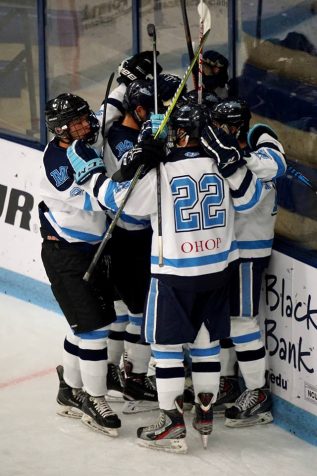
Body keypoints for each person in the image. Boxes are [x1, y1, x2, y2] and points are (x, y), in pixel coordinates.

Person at [66, 101, 274, 453]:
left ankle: (172, 422)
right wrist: (233, 162)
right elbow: (251, 197)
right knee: (207, 345)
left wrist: (90, 178)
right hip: (217, 272)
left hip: (174, 276)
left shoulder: (160, 172)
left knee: (166, 350)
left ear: (176, 133)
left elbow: (120, 203)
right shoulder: (220, 164)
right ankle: (205, 415)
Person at [39, 93, 122, 437]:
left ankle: (69, 389)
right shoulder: (57, 161)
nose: (85, 125)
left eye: (85, 119)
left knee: (86, 326)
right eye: (76, 123)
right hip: (65, 256)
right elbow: (94, 194)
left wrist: (128, 76)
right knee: (93, 331)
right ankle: (93, 397)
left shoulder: (84, 133)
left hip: (91, 251)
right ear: (60, 128)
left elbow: (108, 108)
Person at [208, 99, 287, 427]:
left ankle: (258, 392)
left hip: (249, 253)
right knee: (222, 321)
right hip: (226, 251)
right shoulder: (225, 154)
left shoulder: (262, 143)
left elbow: (271, 171)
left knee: (242, 322)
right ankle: (228, 381)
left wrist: (238, 157)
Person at [104, 79, 159, 414]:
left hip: (127, 237)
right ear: (138, 110)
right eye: (156, 108)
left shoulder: (120, 130)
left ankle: (114, 372)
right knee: (139, 310)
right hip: (128, 237)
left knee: (125, 309)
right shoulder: (122, 139)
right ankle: (136, 379)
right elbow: (139, 173)